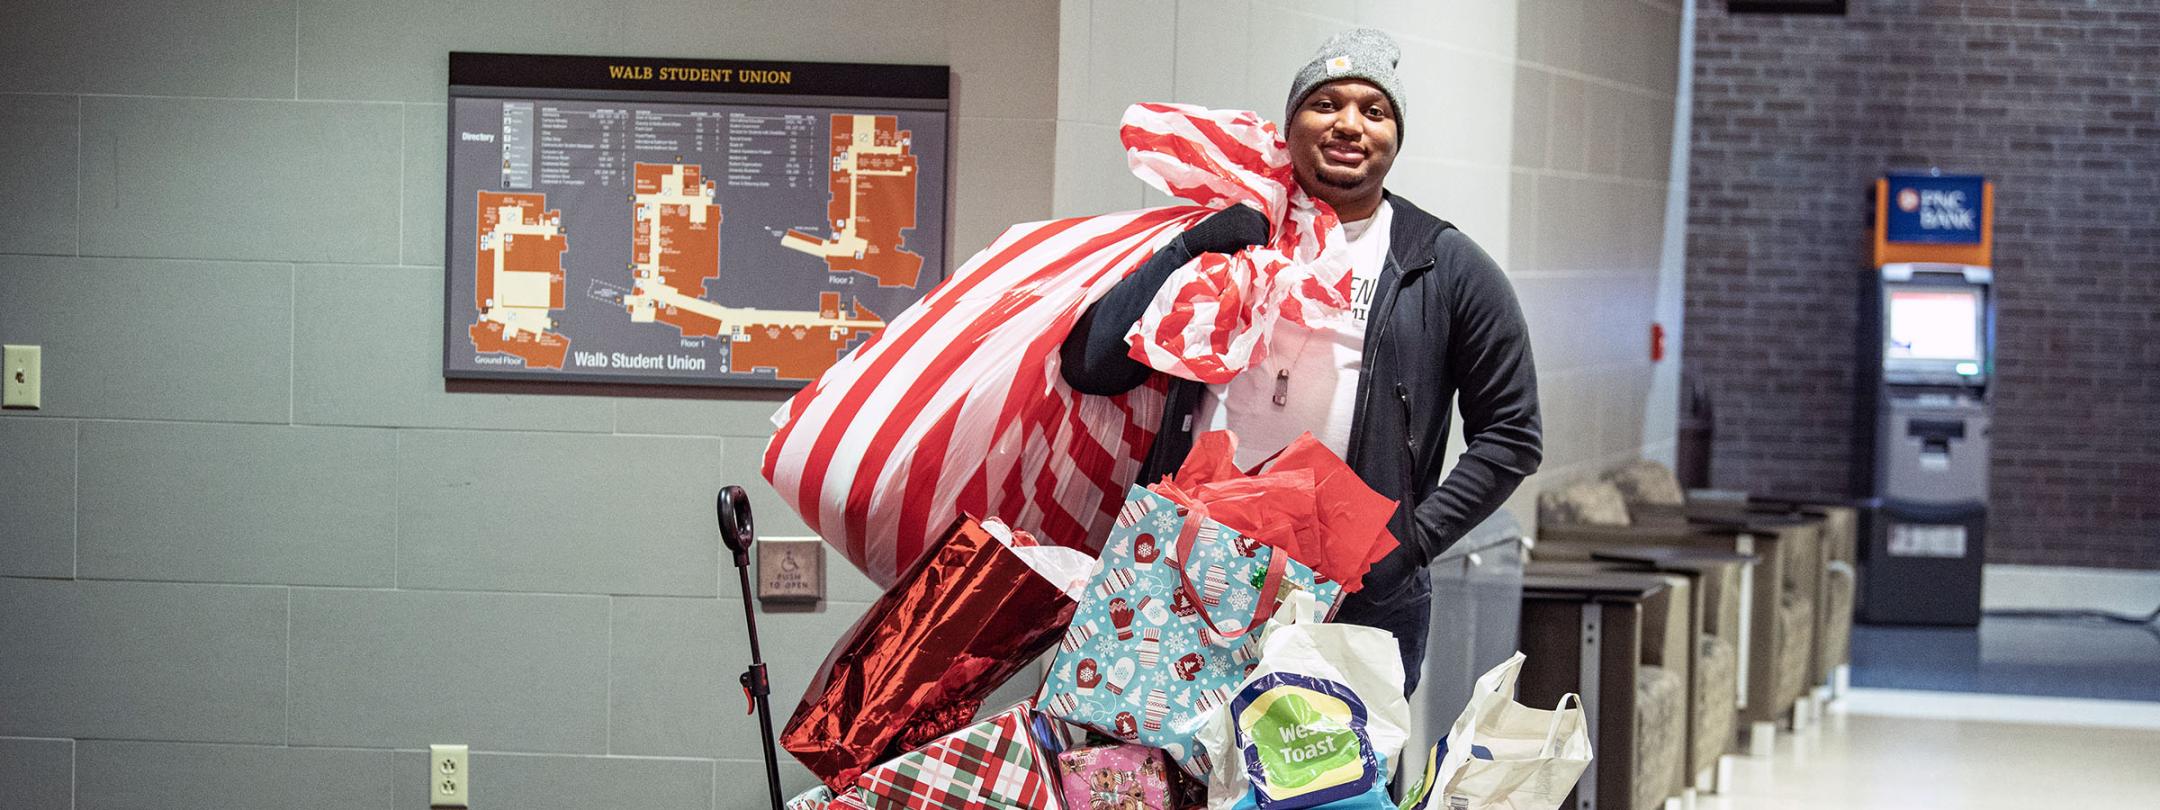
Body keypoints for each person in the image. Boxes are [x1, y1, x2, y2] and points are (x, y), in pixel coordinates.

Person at [1060, 28, 1541, 695]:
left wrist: (1409, 542)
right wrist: (1189, 249)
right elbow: (1092, 363)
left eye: (1374, 111)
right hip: (1190, 569)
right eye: (1326, 104)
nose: (1349, 124)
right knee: (1155, 785)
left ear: (1395, 138)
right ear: (1290, 128)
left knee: (1328, 790)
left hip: (1352, 594)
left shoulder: (1444, 266)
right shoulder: (1231, 236)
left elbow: (1513, 435)